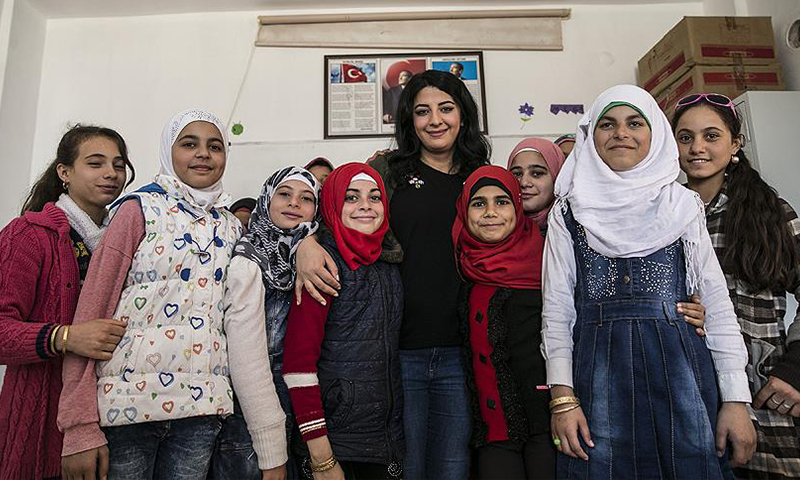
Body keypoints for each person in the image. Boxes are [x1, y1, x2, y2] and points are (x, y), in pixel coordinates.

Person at [542, 85, 756, 479]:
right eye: (608, 124)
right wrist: (562, 397)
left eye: (634, 123)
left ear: (654, 134)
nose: (621, 133)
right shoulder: (568, 211)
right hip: (597, 380)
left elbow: (718, 306)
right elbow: (557, 310)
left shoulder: (682, 204)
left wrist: (736, 400)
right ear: (592, 137)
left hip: (683, 379)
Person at [296, 69, 490, 480]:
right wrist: (306, 243)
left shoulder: (478, 177)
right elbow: (339, 209)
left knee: (454, 468)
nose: (435, 120)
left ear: (463, 114)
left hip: (461, 349)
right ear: (409, 121)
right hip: (398, 352)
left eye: (446, 108)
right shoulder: (389, 170)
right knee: (408, 470)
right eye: (423, 111)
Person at [58, 109, 259, 480]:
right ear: (169, 152)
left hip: (200, 413)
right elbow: (90, 316)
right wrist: (78, 427)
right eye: (189, 144)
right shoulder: (137, 210)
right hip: (125, 411)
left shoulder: (232, 226)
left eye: (215, 146)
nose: (203, 153)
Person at [673, 92, 800, 479]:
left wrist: (794, 369)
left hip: (762, 395)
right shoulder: (664, 216)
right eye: (685, 137)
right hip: (687, 388)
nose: (697, 148)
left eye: (711, 135)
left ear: (735, 144)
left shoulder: (769, 213)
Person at [0, 125, 134, 480]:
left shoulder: (128, 241)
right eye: (95, 163)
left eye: (119, 165)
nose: (111, 174)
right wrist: (66, 337)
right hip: (40, 424)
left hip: (111, 420)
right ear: (64, 172)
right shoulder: (28, 234)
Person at [283, 163, 404, 479]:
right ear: (333, 205)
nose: (365, 205)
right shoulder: (321, 263)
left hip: (382, 438)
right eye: (351, 197)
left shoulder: (390, 261)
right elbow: (298, 365)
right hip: (332, 441)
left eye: (374, 197)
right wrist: (320, 454)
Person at [215, 166, 321, 480]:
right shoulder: (247, 259)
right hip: (252, 408)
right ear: (266, 199)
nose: (294, 204)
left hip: (301, 401)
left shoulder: (311, 252)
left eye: (306, 198)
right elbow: (246, 359)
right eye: (284, 194)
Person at [453, 165, 553, 479]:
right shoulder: (458, 265)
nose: (491, 212)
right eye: (479, 203)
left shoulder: (549, 262)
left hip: (549, 422)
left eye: (502, 201)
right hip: (491, 429)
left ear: (517, 207)